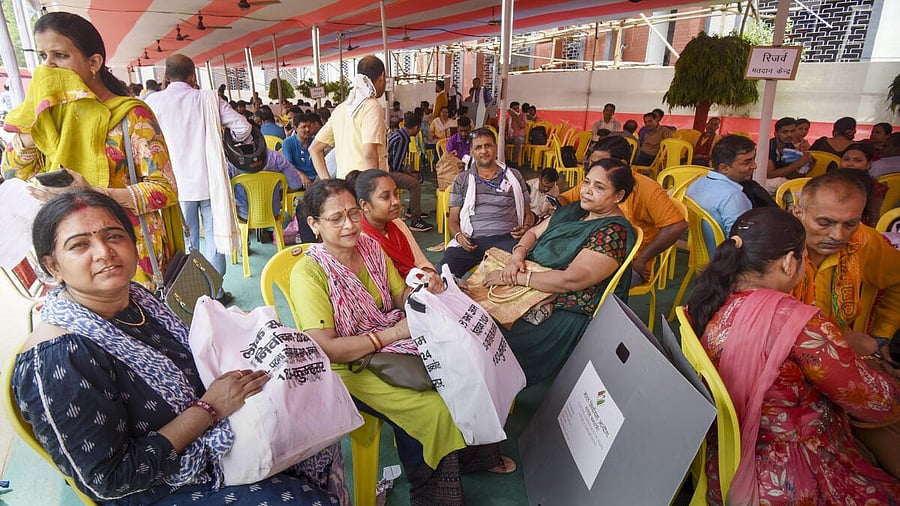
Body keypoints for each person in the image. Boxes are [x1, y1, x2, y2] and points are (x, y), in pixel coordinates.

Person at [15, 189, 348, 505]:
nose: (104, 252)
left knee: (309, 416)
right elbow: (112, 479)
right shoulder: (60, 356)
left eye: (114, 236)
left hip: (208, 438)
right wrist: (208, 410)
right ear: (53, 266)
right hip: (157, 489)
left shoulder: (138, 301)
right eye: (79, 245)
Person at [291, 179, 513, 506]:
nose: (349, 225)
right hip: (348, 366)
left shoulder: (369, 246)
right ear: (314, 225)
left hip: (391, 342)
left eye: (353, 213)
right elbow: (328, 347)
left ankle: (471, 457)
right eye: (335, 218)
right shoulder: (308, 273)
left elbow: (399, 297)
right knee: (434, 409)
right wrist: (393, 334)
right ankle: (433, 495)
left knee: (463, 364)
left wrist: (425, 286)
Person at [685, 206, 900, 505]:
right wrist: (871, 364)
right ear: (789, 262)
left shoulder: (710, 301)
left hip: (723, 466)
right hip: (795, 477)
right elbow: (876, 404)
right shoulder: (798, 324)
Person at [2, 11, 179, 287]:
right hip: (72, 252)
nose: (48, 67)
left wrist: (95, 194)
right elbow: (12, 176)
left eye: (60, 56)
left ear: (94, 62)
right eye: (42, 57)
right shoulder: (48, 118)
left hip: (130, 248)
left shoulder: (130, 116)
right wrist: (28, 130)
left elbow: (165, 189)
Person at [483, 158, 636, 384]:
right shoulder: (576, 211)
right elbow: (533, 233)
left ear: (618, 196)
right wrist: (517, 256)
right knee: (469, 304)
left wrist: (516, 278)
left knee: (485, 332)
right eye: (586, 182)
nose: (587, 191)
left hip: (564, 308)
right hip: (533, 284)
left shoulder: (613, 232)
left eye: (599, 187)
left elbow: (570, 281)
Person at [147, 54, 249, 303]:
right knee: (214, 237)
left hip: (173, 186)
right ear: (193, 75)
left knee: (184, 241)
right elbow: (243, 128)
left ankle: (185, 296)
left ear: (167, 76)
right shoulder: (209, 99)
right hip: (208, 181)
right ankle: (215, 292)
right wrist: (223, 141)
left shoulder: (153, 101)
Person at [791, 171, 900, 355]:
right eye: (825, 223)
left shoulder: (863, 240)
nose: (838, 236)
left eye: (850, 224)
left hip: (843, 349)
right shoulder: (776, 246)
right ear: (798, 213)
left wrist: (881, 335)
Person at [559, 136, 686, 283]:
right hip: (593, 251)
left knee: (576, 285)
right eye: (592, 164)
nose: (594, 169)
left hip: (628, 263)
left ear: (621, 164)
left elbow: (677, 225)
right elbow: (564, 199)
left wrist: (642, 259)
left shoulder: (647, 189)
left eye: (601, 163)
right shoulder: (596, 179)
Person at [442, 127, 532, 277]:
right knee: (443, 275)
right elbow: (452, 220)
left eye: (488, 145)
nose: (484, 151)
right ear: (471, 151)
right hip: (472, 241)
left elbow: (528, 213)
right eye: (478, 147)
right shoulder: (462, 179)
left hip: (507, 239)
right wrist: (459, 236)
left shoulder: (514, 176)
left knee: (523, 272)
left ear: (495, 148)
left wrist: (526, 227)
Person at [349, 170, 440, 282]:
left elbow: (420, 261)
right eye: (386, 197)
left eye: (396, 194)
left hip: (415, 287)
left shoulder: (398, 224)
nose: (396, 201)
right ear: (365, 205)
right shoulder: (359, 238)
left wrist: (430, 274)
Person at [310, 55, 387, 179]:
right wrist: (372, 192)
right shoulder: (371, 106)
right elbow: (369, 154)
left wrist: (328, 183)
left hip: (345, 187)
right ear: (382, 76)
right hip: (364, 186)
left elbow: (314, 149)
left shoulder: (342, 108)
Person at [686, 135, 755, 248]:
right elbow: (740, 241)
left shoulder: (695, 184)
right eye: (746, 163)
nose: (754, 166)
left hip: (699, 255)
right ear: (724, 168)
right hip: (724, 259)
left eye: (753, 160)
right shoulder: (732, 196)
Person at [227, 147, 303, 222]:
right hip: (273, 214)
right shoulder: (275, 157)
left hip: (244, 216)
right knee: (286, 217)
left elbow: (223, 196)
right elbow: (296, 185)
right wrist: (280, 194)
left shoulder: (227, 163)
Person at [387, 112, 432, 232]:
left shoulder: (399, 134)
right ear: (417, 128)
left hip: (389, 168)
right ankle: (415, 220)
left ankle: (413, 209)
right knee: (415, 183)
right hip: (388, 173)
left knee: (417, 175)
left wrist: (410, 172)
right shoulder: (402, 139)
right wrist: (410, 174)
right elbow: (396, 167)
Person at [766, 116, 813, 192]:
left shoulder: (790, 145)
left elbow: (790, 173)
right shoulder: (769, 146)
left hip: (782, 181)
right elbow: (770, 174)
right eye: (785, 132)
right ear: (776, 134)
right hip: (766, 182)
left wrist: (807, 166)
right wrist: (799, 163)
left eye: (792, 131)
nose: (789, 135)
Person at [281, 113, 316, 188]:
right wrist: (301, 175)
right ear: (295, 128)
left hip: (315, 179)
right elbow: (288, 164)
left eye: (309, 126)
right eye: (304, 127)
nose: (307, 129)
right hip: (296, 179)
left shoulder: (315, 142)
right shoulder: (288, 142)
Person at [505, 101, 527, 169]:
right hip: (511, 137)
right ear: (511, 109)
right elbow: (505, 129)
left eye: (518, 108)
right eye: (515, 109)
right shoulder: (508, 119)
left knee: (518, 140)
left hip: (519, 137)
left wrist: (514, 116)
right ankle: (507, 159)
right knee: (500, 140)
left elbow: (522, 125)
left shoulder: (522, 116)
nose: (517, 110)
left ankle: (514, 162)